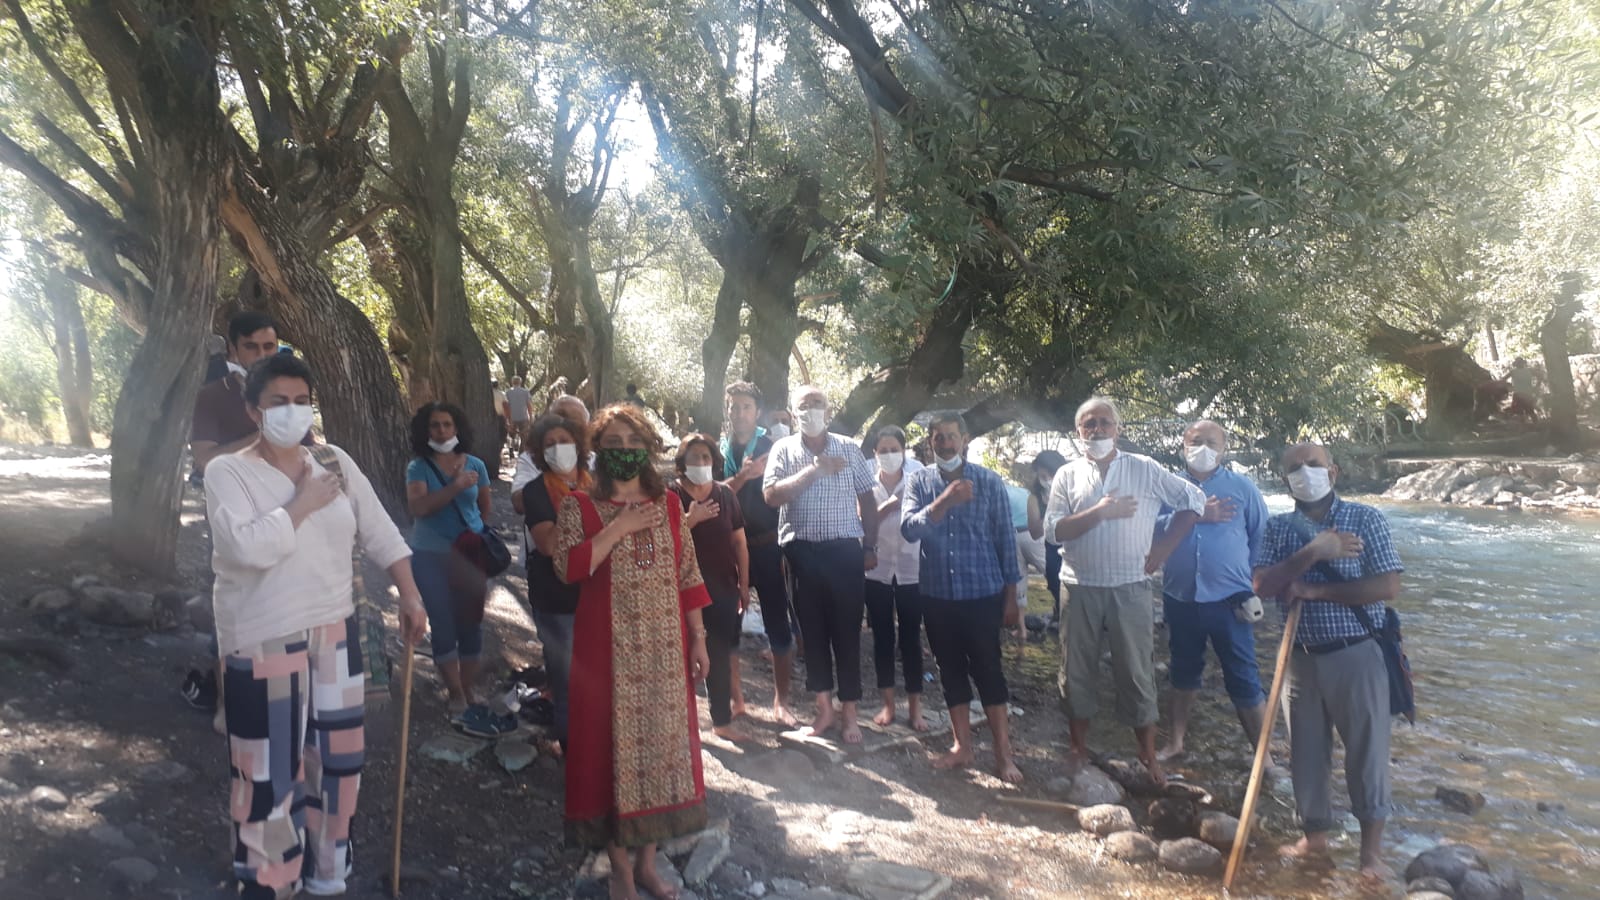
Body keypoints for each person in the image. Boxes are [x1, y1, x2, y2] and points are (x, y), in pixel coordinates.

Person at [205, 353, 427, 899]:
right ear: (254, 411)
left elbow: (380, 530)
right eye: (278, 401)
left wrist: (410, 595)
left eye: (301, 400)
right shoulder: (228, 471)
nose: (292, 410)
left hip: (335, 628)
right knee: (268, 768)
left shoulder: (335, 462)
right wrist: (301, 503)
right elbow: (247, 548)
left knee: (337, 760)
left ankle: (327, 868)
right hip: (263, 634)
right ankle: (270, 879)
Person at [553, 404, 711, 900]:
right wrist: (617, 528)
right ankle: (620, 870)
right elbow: (569, 568)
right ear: (597, 451)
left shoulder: (669, 504)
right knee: (608, 755)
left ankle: (646, 863)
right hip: (605, 657)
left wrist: (699, 636)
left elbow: (687, 573)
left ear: (648, 448)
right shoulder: (579, 506)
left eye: (633, 442)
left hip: (665, 655)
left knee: (662, 755)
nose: (624, 451)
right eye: (613, 444)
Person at [1253, 442, 1404, 882]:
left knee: (1366, 752)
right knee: (1305, 752)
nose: (1305, 472)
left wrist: (1314, 590)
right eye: (1295, 468)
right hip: (1298, 656)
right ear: (1285, 480)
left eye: (1313, 464)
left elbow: (1387, 587)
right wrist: (1314, 552)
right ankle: (1314, 837)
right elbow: (1262, 585)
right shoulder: (1279, 528)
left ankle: (1370, 854)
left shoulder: (1366, 519)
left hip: (1355, 652)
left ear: (1333, 472)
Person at [1044, 397, 1204, 784]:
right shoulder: (1067, 474)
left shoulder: (1143, 468)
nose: (1097, 430)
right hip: (1078, 585)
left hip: (1130, 585)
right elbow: (1052, 531)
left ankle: (1147, 755)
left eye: (1104, 422)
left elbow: (1194, 500)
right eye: (1089, 424)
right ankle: (1078, 749)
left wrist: (1164, 547)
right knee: (1075, 671)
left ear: (1118, 428)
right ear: (1078, 431)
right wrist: (1100, 511)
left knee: (1136, 672)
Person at [901, 413, 1025, 782]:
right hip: (937, 594)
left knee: (989, 670)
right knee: (949, 669)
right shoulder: (919, 481)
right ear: (930, 442)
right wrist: (943, 502)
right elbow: (909, 529)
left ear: (965, 439)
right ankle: (962, 747)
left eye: (951, 436)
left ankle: (1004, 755)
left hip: (982, 592)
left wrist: (1012, 599)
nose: (945, 444)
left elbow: (1006, 542)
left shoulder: (989, 481)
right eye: (938, 437)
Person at [1154, 421, 1276, 770]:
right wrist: (1193, 516)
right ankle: (1175, 742)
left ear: (1224, 449)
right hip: (1181, 596)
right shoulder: (1168, 487)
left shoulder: (1243, 488)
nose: (1203, 448)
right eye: (1196, 441)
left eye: (1212, 442)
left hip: (1230, 598)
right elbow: (1150, 529)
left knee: (1244, 675)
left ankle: (1264, 758)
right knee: (1183, 670)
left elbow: (1260, 535)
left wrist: (1250, 582)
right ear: (1183, 445)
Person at [762, 385, 879, 743]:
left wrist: (869, 545)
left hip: (844, 552)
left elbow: (868, 499)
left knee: (846, 632)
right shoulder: (783, 449)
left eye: (817, 404)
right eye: (804, 405)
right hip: (801, 553)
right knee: (811, 634)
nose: (810, 410)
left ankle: (850, 713)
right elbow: (771, 496)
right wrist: (814, 471)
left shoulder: (849, 448)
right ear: (792, 411)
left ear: (828, 410)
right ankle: (824, 709)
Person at [404, 402, 511, 737]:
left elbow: (484, 507)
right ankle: (454, 693)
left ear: (457, 428)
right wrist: (454, 486)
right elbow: (419, 508)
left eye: (447, 424)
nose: (441, 431)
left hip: (469, 556)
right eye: (434, 425)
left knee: (471, 623)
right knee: (443, 623)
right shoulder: (418, 467)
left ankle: (468, 688)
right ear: (426, 431)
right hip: (430, 556)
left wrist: (470, 536)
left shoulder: (476, 464)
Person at [720, 381, 800, 726]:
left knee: (778, 623)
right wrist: (745, 476)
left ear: (758, 412)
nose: (739, 413)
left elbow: (790, 494)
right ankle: (736, 699)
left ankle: (782, 702)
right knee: (728, 625)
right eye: (734, 406)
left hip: (769, 547)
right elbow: (712, 494)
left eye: (746, 407)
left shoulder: (774, 448)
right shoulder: (718, 450)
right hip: (728, 549)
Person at [520, 413, 592, 753]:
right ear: (539, 452)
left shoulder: (598, 484)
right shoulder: (535, 491)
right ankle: (571, 751)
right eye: (549, 444)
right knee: (566, 680)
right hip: (556, 599)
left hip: (597, 594)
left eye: (564, 441)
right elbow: (548, 544)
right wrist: (581, 511)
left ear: (578, 444)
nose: (558, 448)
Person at [674, 433, 752, 741]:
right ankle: (680, 725)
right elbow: (663, 541)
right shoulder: (670, 495)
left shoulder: (726, 495)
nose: (700, 462)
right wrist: (690, 520)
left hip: (722, 590)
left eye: (706, 457)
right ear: (682, 462)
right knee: (679, 657)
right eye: (694, 457)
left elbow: (740, 542)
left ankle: (721, 721)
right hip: (679, 592)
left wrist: (744, 584)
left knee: (718, 656)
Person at [192, 311, 312, 479]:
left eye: (268, 347)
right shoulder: (210, 396)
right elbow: (204, 461)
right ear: (233, 348)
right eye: (251, 347)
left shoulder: (291, 393)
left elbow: (308, 450)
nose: (261, 355)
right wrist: (266, 434)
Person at [864, 426, 927, 730]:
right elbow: (861, 519)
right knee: (882, 637)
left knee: (911, 639)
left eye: (894, 450)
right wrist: (889, 505)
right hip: (876, 567)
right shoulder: (866, 477)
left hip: (911, 567)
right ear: (874, 453)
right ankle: (888, 705)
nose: (889, 455)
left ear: (904, 450)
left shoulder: (919, 474)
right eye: (883, 450)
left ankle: (915, 709)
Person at [1026, 451, 1068, 622]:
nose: (1048, 480)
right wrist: (1052, 506)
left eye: (1051, 474)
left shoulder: (1073, 489)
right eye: (1043, 476)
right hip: (1053, 551)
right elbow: (1035, 532)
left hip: (1076, 548)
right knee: (1057, 588)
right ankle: (1060, 618)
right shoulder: (1034, 498)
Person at [504, 376, 534, 454]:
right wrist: (531, 417)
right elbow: (529, 405)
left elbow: (506, 407)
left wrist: (506, 419)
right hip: (523, 417)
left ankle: (511, 451)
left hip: (512, 418)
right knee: (524, 437)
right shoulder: (525, 392)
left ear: (512, 382)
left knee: (511, 435)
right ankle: (521, 453)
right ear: (520, 382)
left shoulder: (508, 392)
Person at [1507, 357, 1539, 423]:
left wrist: (1536, 386)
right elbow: (1503, 379)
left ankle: (1534, 425)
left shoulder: (1528, 370)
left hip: (1524, 394)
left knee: (1529, 411)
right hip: (1521, 394)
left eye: (1520, 363)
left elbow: (1540, 376)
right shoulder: (1514, 372)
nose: (1519, 364)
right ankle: (1528, 425)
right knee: (1523, 412)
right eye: (1518, 363)